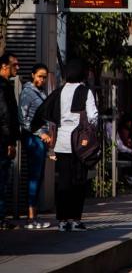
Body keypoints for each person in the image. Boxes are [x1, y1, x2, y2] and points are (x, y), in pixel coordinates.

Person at [33, 59, 98, 232]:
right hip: (80, 145)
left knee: (63, 183)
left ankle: (62, 221)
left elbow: (44, 111)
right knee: (78, 182)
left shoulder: (59, 91)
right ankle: (75, 219)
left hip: (62, 143)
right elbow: (93, 116)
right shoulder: (85, 91)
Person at [18, 63, 53, 229]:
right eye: (40, 76)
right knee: (34, 176)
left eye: (44, 77)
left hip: (41, 139)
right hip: (33, 138)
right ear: (33, 75)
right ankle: (31, 218)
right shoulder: (27, 92)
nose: (42, 79)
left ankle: (35, 216)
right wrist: (41, 133)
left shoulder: (41, 92)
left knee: (38, 177)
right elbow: (23, 119)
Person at [0, 52, 21, 230]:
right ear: (4, 66)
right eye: (14, 65)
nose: (18, 68)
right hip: (2, 140)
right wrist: (10, 141)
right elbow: (5, 115)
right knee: (2, 178)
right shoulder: (3, 87)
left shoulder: (6, 85)